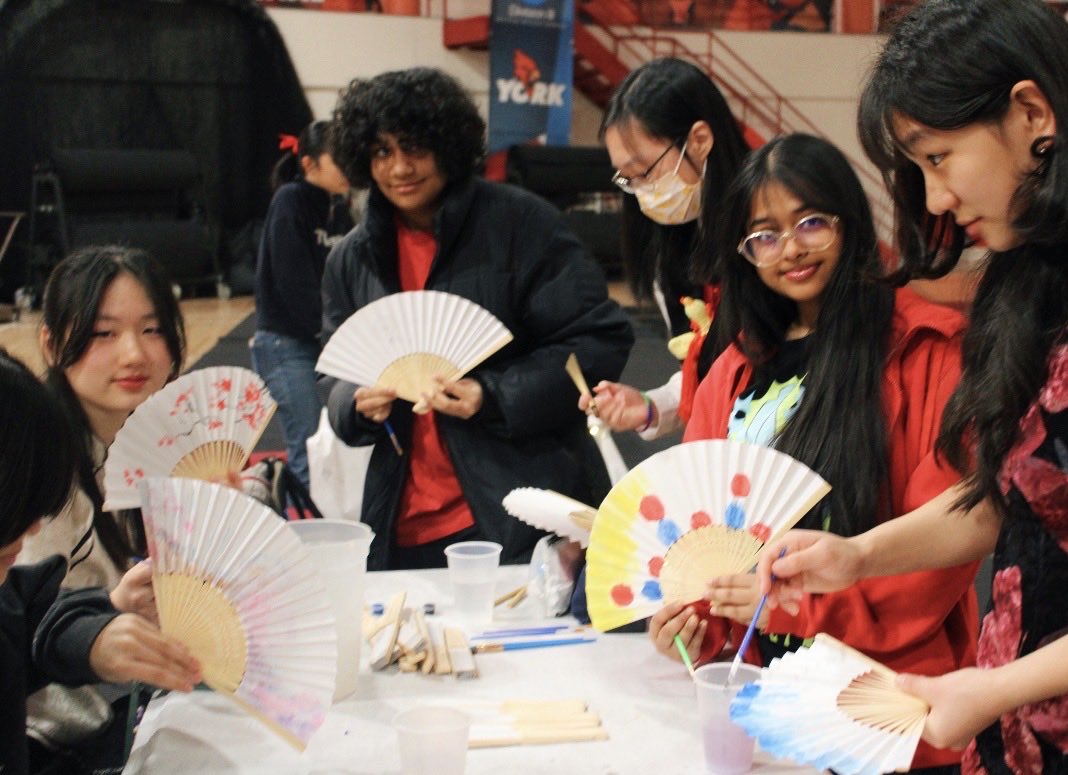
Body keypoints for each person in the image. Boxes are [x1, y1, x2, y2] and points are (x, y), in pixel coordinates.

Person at [757, 1, 1068, 772]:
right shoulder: (1046, 269)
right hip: (1016, 718)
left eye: (937, 158)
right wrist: (856, 553)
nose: (936, 198)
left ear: (1031, 114)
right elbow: (1006, 489)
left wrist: (994, 685)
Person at [646, 133, 980, 772]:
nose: (789, 249)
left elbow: (940, 555)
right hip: (759, 710)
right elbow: (701, 532)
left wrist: (803, 609)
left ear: (848, 222)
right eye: (763, 235)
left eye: (810, 223)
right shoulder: (735, 371)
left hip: (886, 709)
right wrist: (696, 624)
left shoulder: (928, 352)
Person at [321, 67, 634, 570]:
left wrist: (493, 396)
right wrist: (352, 404)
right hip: (397, 522)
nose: (400, 167)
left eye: (414, 147)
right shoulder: (352, 258)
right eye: (382, 151)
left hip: (513, 513)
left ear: (448, 145)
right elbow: (333, 371)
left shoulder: (523, 225)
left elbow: (598, 340)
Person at [16, 245, 186, 771]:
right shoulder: (30, 463)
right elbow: (21, 619)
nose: (134, 354)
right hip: (58, 736)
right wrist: (104, 615)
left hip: (155, 703)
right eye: (103, 333)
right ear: (50, 342)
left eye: (153, 329)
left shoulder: (174, 439)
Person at [581, 58, 750, 438]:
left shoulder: (765, 228)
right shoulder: (669, 244)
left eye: (646, 171)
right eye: (628, 177)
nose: (641, 190)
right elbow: (701, 371)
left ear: (700, 141)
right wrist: (649, 406)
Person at [251, 119, 353, 490]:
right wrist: (336, 337)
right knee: (310, 451)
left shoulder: (339, 206)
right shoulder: (290, 200)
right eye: (339, 158)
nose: (349, 167)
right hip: (287, 344)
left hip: (322, 341)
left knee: (333, 447)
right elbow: (293, 282)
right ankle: (310, 535)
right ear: (309, 164)